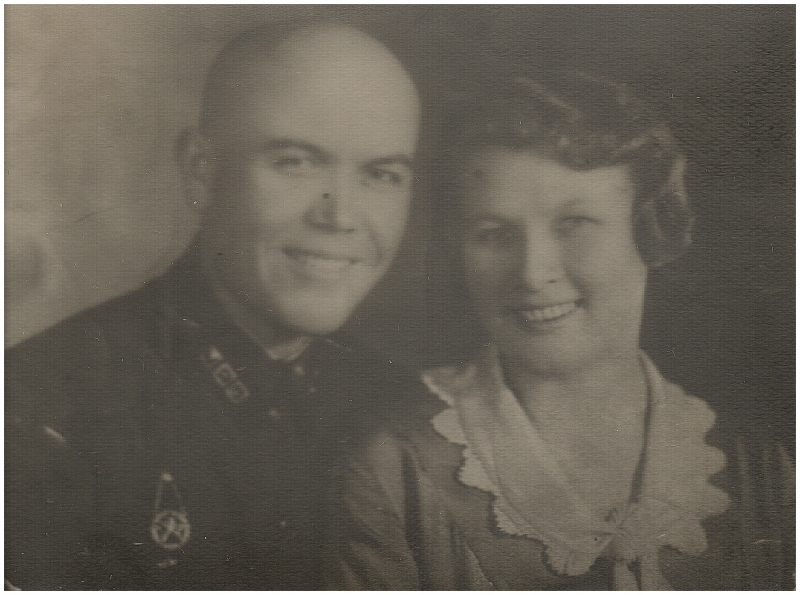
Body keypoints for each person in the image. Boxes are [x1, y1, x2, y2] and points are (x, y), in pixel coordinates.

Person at [327, 72, 794, 590]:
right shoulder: (392, 467)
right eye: (493, 234)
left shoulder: (767, 471)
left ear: (649, 230)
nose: (532, 273)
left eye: (574, 224)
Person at [5, 21, 420, 590]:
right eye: (296, 162)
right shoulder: (38, 406)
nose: (340, 216)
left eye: (381, 174)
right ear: (202, 171)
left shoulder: (406, 407)